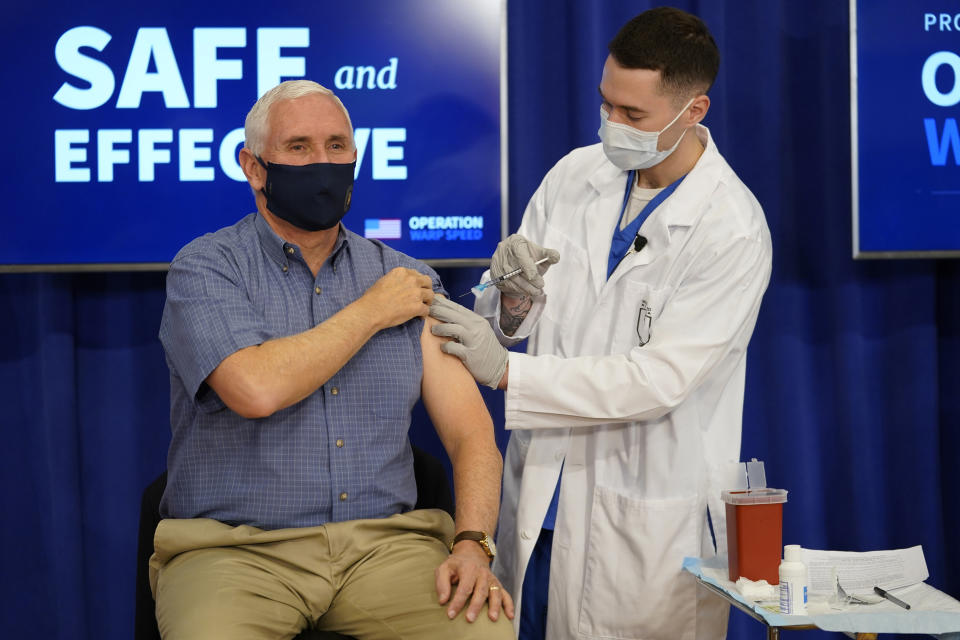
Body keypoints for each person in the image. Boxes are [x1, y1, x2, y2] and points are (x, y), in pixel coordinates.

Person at [429, 7, 772, 640]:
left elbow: (657, 380)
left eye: (633, 115)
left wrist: (507, 370)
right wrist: (511, 305)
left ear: (694, 111)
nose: (612, 125)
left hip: (645, 516)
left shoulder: (731, 228)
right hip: (542, 500)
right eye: (606, 104)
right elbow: (517, 322)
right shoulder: (574, 175)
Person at [151, 79, 515, 640]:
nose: (322, 162)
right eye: (298, 148)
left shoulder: (408, 278)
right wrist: (371, 310)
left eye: (337, 146)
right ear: (254, 167)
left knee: (484, 629)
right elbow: (254, 390)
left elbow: (471, 433)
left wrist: (473, 544)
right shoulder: (206, 268)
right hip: (236, 552)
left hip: (384, 548)